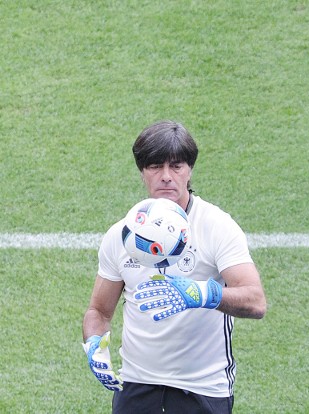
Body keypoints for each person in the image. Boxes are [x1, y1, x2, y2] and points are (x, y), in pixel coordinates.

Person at [82, 120, 267, 414]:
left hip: (202, 388)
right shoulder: (122, 235)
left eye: (176, 166)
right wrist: (93, 343)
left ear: (189, 169)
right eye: (155, 166)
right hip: (137, 385)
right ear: (142, 171)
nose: (166, 177)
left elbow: (256, 301)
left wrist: (203, 293)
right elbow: (99, 311)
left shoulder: (217, 227)